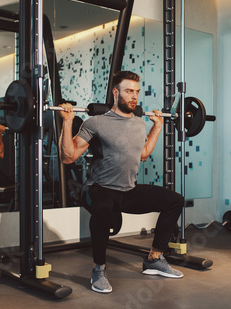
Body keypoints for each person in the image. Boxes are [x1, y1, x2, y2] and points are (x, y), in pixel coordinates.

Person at [58, 70, 185, 293]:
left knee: (174, 200)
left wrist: (157, 126)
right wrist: (67, 122)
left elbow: (143, 154)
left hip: (128, 191)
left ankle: (154, 258)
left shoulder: (139, 123)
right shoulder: (96, 122)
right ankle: (99, 269)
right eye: (128, 91)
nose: (134, 96)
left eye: (136, 92)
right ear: (116, 93)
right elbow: (68, 156)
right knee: (105, 206)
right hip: (99, 188)